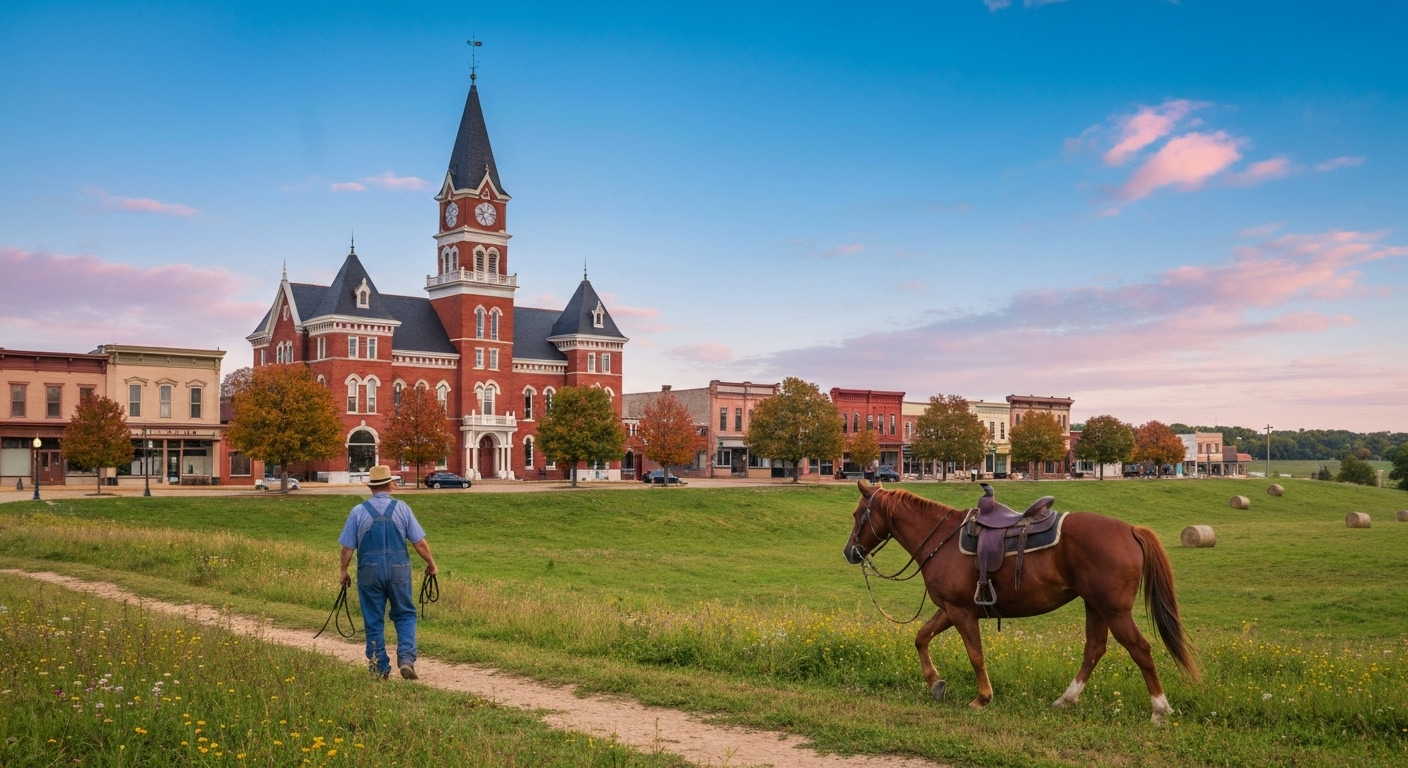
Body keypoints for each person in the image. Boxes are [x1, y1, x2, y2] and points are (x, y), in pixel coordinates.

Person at [338, 465, 438, 680]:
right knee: (405, 614)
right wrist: (431, 564)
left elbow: (347, 549)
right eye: (394, 480)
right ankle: (406, 659)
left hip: (369, 571)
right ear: (389, 485)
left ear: (372, 487)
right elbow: (419, 543)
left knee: (373, 619)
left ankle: (379, 667)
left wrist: (343, 572)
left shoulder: (358, 511)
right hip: (398, 569)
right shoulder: (402, 508)